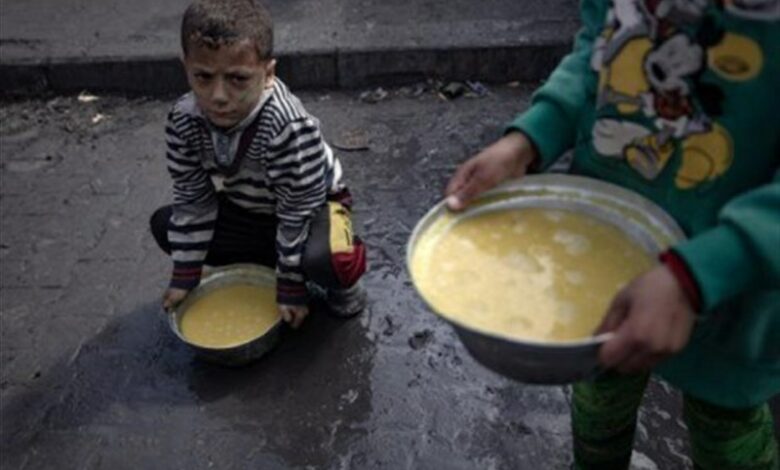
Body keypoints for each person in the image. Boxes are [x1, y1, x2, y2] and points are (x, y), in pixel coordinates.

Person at [445, 1, 779, 468]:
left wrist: (702, 272)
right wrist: (529, 140)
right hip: (600, 260)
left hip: (741, 296)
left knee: (727, 433)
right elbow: (598, 50)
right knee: (599, 405)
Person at [150, 0, 367, 328]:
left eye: (237, 79)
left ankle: (337, 282)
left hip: (312, 209)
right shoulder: (183, 120)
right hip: (252, 209)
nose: (218, 95)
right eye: (203, 77)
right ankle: (266, 267)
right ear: (186, 68)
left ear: (268, 74)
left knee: (330, 260)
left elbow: (298, 211)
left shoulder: (288, 126)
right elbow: (193, 200)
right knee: (166, 224)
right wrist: (185, 275)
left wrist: (291, 285)